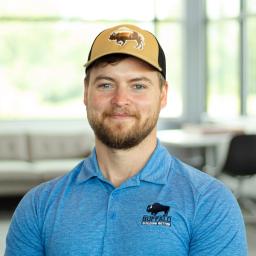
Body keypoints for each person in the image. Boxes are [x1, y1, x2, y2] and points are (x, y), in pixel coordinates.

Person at [5, 24, 248, 256]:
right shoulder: (38, 206)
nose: (121, 100)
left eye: (139, 86)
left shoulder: (210, 203)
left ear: (163, 95)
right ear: (86, 92)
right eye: (106, 84)